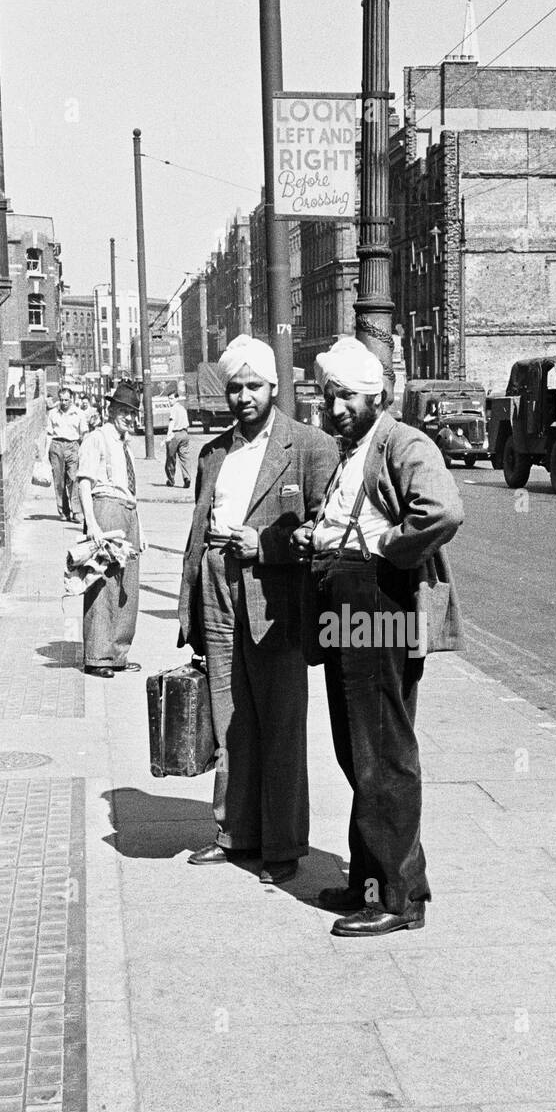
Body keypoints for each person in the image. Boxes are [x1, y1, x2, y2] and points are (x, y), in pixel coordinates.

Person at [291, 337, 464, 937]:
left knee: (381, 749)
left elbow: (443, 511)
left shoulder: (402, 441)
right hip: (348, 598)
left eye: (347, 398)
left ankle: (395, 898)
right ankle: (377, 879)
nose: (334, 408)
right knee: (355, 746)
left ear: (377, 396)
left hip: (376, 600)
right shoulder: (354, 448)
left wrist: (387, 546)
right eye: (327, 396)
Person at [177, 334, 338, 885]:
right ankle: (233, 834)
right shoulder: (213, 453)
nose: (244, 396)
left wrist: (266, 545)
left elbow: (329, 530)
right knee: (230, 720)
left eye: (254, 386)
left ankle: (283, 846)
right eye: (235, 387)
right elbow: (197, 533)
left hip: (277, 602)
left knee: (281, 724)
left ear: (275, 387)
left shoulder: (312, 447)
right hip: (218, 591)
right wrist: (189, 609)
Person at [76, 382, 146, 677]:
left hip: (128, 513)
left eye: (133, 413)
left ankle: (118, 654)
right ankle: (97, 657)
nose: (129, 417)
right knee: (102, 583)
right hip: (105, 509)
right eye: (123, 411)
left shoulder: (124, 444)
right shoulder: (97, 438)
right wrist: (91, 522)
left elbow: (130, 492)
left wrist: (139, 530)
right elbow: (84, 481)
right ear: (111, 409)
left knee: (127, 586)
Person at [46, 387, 88, 521]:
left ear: (72, 399)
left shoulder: (79, 413)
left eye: (67, 400)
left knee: (74, 479)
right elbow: (48, 433)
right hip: (56, 445)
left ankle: (76, 511)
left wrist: (84, 451)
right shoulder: (53, 413)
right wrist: (44, 454)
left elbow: (84, 434)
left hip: (73, 446)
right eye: (62, 399)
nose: (64, 402)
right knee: (59, 481)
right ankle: (63, 511)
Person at [164, 387, 191, 488]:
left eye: (171, 399)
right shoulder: (182, 408)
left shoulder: (174, 409)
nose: (169, 401)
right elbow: (187, 423)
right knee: (185, 458)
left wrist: (168, 436)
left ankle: (171, 480)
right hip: (185, 434)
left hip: (175, 435)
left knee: (171, 458)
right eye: (169, 399)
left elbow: (172, 422)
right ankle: (187, 478)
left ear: (177, 398)